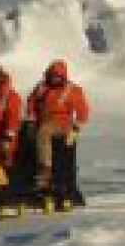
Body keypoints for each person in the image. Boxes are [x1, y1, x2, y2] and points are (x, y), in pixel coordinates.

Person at [28, 58, 90, 206]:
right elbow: (31, 102)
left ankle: (45, 169)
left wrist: (75, 129)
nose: (54, 79)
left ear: (63, 76)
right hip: (42, 121)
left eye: (57, 77)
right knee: (24, 132)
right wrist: (30, 119)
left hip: (63, 125)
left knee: (44, 131)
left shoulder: (72, 90)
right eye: (52, 76)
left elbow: (83, 111)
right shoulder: (42, 88)